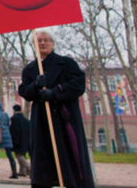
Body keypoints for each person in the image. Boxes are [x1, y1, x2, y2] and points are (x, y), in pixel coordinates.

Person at [19, 29, 95, 188]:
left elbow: (78, 85)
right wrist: (35, 85)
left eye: (46, 40)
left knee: (68, 159)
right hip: (42, 121)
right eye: (39, 41)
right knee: (43, 161)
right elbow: (24, 91)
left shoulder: (67, 63)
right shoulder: (30, 69)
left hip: (64, 119)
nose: (42, 43)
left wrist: (55, 92)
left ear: (52, 43)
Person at [9, 104, 31, 177]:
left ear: (14, 110)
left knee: (19, 155)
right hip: (25, 140)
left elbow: (15, 131)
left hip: (18, 140)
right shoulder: (25, 119)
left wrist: (15, 141)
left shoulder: (14, 119)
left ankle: (29, 168)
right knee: (22, 155)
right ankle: (22, 171)